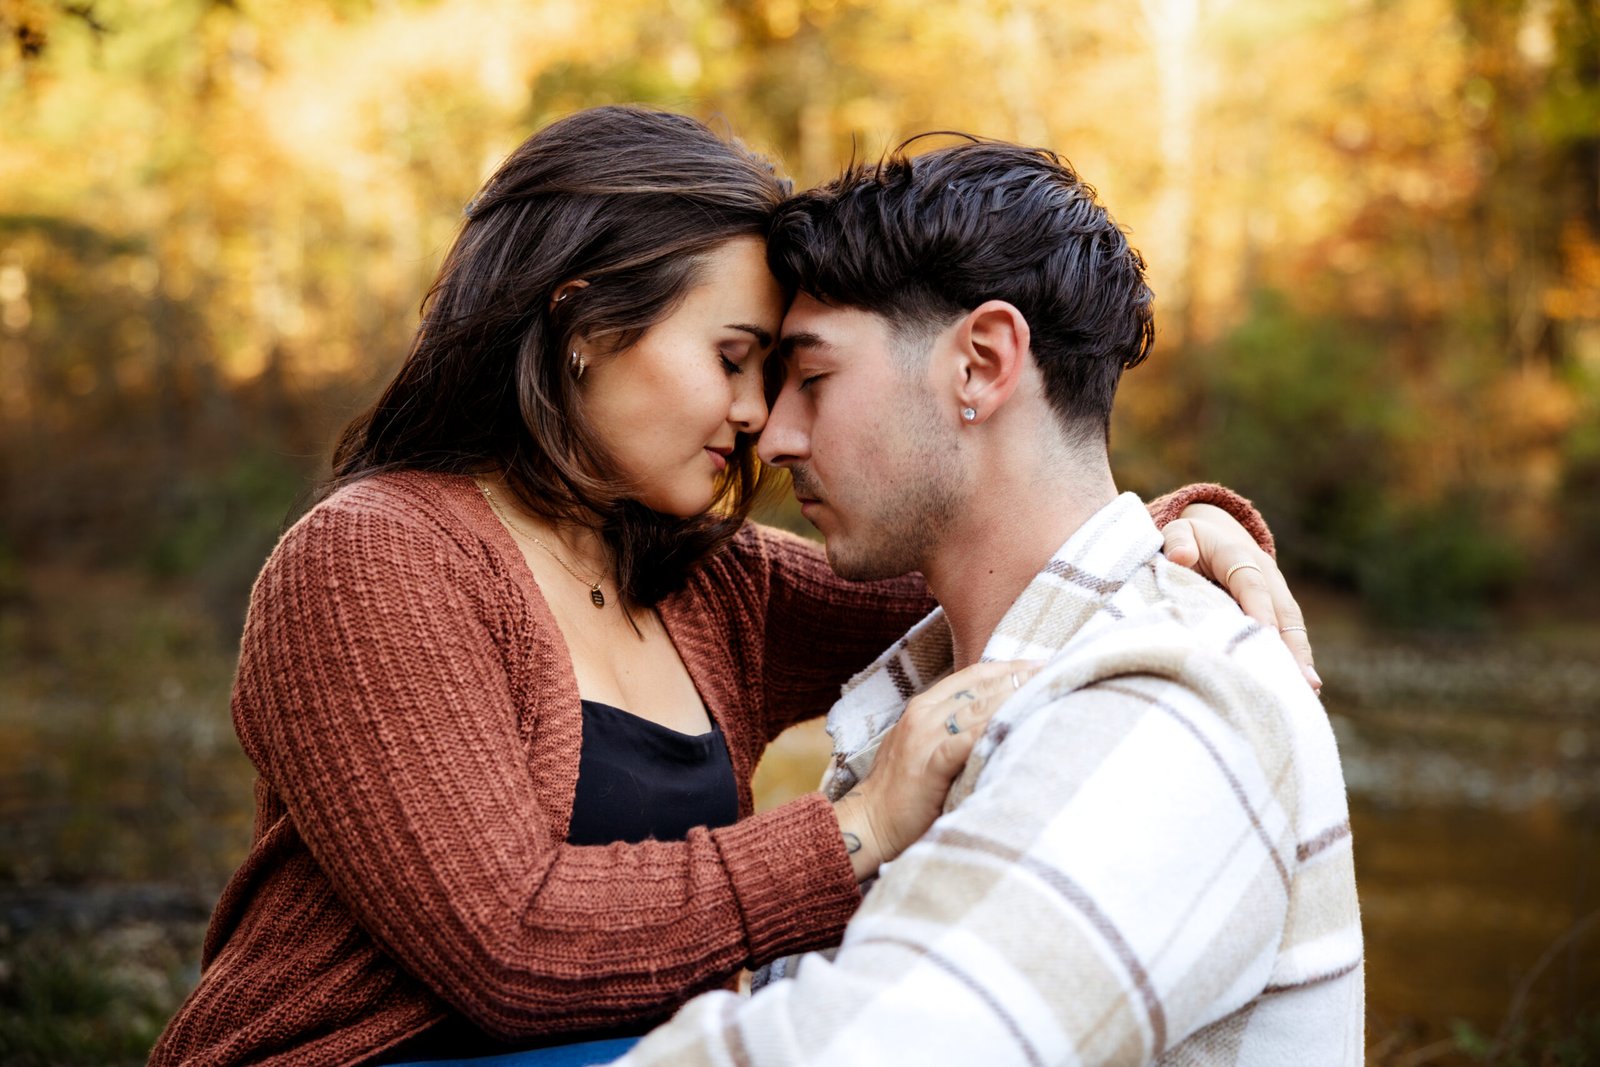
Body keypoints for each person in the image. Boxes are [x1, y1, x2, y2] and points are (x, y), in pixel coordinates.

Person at [149, 107, 1305, 1066]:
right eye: (733, 359)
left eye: (781, 370)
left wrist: (1187, 524)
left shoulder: (708, 576)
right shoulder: (371, 561)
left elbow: (994, 543)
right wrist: (855, 826)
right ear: (583, 325)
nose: (760, 417)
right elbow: (504, 947)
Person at [612, 138, 1362, 1066]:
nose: (777, 432)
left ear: (982, 362)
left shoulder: (1171, 704)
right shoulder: (982, 661)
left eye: (812, 377)